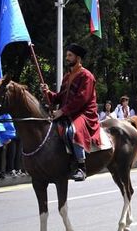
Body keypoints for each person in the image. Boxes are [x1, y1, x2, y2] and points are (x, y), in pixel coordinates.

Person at [40, 43, 100, 181]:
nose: (66, 58)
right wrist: (47, 92)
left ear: (78, 58)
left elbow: (82, 99)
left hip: (84, 112)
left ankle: (81, 166)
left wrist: (62, 111)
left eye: (69, 55)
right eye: (66, 55)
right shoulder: (67, 76)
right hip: (69, 112)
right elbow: (59, 97)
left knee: (73, 131)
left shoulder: (87, 76)